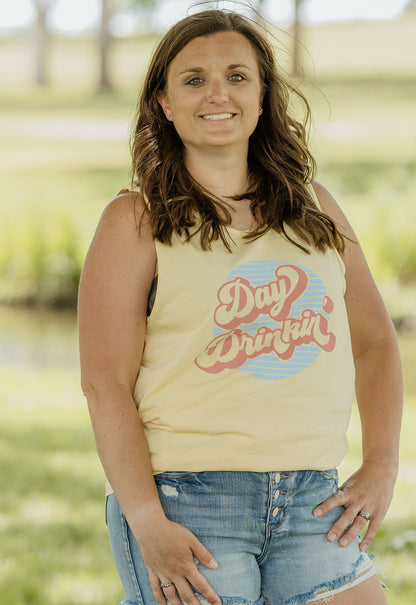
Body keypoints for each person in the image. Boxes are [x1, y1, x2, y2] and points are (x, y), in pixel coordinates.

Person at [78, 9, 402, 605]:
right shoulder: (135, 220)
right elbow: (105, 382)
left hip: (315, 499)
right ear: (164, 103)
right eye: (194, 79)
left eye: (237, 75)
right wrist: (146, 520)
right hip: (189, 501)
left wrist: (382, 462)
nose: (217, 93)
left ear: (263, 96)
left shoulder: (316, 207)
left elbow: (376, 342)